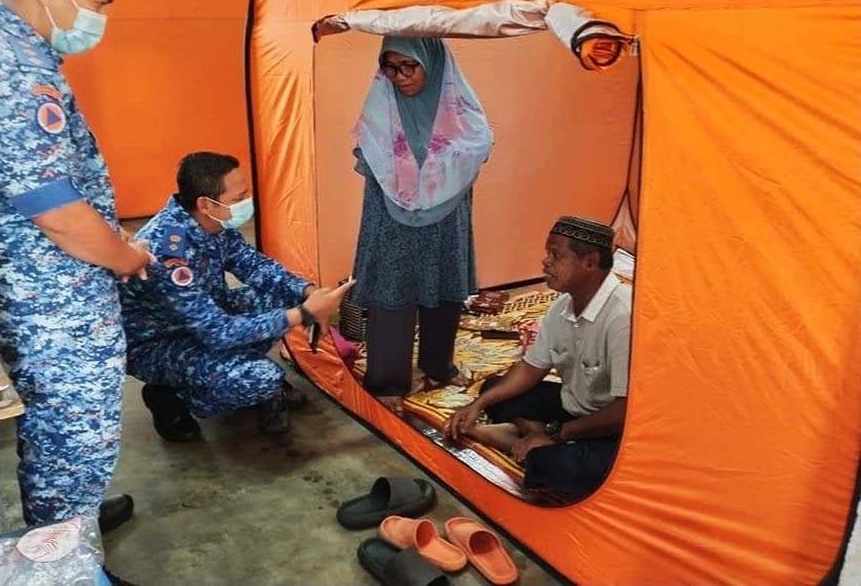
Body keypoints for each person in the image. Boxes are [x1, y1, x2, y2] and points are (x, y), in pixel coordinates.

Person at [0, 0, 149, 546]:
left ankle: (67, 521)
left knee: (61, 431)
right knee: (73, 427)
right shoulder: (4, 63)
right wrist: (123, 255)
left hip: (43, 288)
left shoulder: (15, 50)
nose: (101, 18)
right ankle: (61, 552)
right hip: (47, 297)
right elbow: (55, 210)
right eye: (99, 2)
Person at [119, 152, 353, 437]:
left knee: (286, 296)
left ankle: (234, 368)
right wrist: (304, 314)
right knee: (262, 378)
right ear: (205, 204)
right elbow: (218, 332)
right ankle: (172, 396)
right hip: (161, 343)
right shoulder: (168, 251)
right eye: (238, 197)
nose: (247, 201)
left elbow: (254, 266)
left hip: (207, 317)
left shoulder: (214, 223)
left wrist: (309, 293)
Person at [351, 37, 493, 413]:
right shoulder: (381, 104)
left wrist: (436, 170)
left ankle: (438, 365)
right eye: (390, 67)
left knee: (445, 289)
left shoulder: (457, 106)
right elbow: (369, 153)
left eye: (408, 67)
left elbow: (479, 144)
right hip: (390, 219)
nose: (399, 77)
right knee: (392, 292)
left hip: (446, 217)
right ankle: (386, 380)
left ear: (431, 65)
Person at [445, 216, 632, 496]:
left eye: (556, 255)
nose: (546, 262)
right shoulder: (561, 308)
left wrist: (556, 433)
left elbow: (624, 412)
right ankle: (529, 434)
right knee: (494, 387)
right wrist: (478, 404)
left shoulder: (624, 318)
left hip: (616, 429)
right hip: (575, 408)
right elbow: (530, 369)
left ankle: (523, 440)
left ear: (590, 262)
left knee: (561, 469)